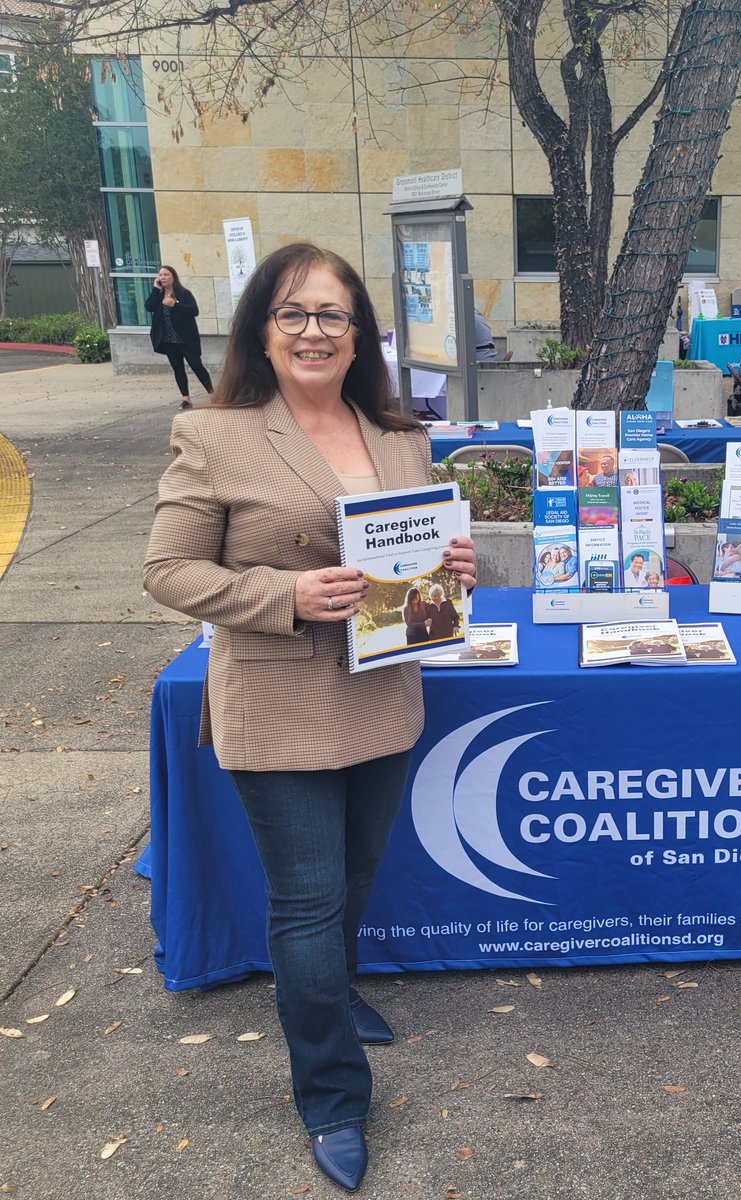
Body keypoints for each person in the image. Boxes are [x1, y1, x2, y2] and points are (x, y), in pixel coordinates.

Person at [143, 242, 477, 1193]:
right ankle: (331, 1092)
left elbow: (426, 553)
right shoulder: (216, 434)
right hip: (280, 701)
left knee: (360, 874)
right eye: (292, 314)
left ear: (360, 331)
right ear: (260, 328)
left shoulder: (401, 433)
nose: (313, 332)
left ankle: (327, 998)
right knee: (308, 898)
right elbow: (168, 571)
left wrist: (454, 572)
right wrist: (286, 594)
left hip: (383, 691)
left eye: (332, 314)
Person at [146, 265, 215, 410]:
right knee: (178, 368)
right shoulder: (158, 295)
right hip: (169, 339)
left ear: (173, 277)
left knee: (196, 365)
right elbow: (149, 307)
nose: (162, 277)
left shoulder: (183, 294)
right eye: (160, 275)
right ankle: (186, 398)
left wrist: (174, 304)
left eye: (166, 275)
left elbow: (194, 311)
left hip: (186, 338)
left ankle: (212, 394)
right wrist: (155, 289)